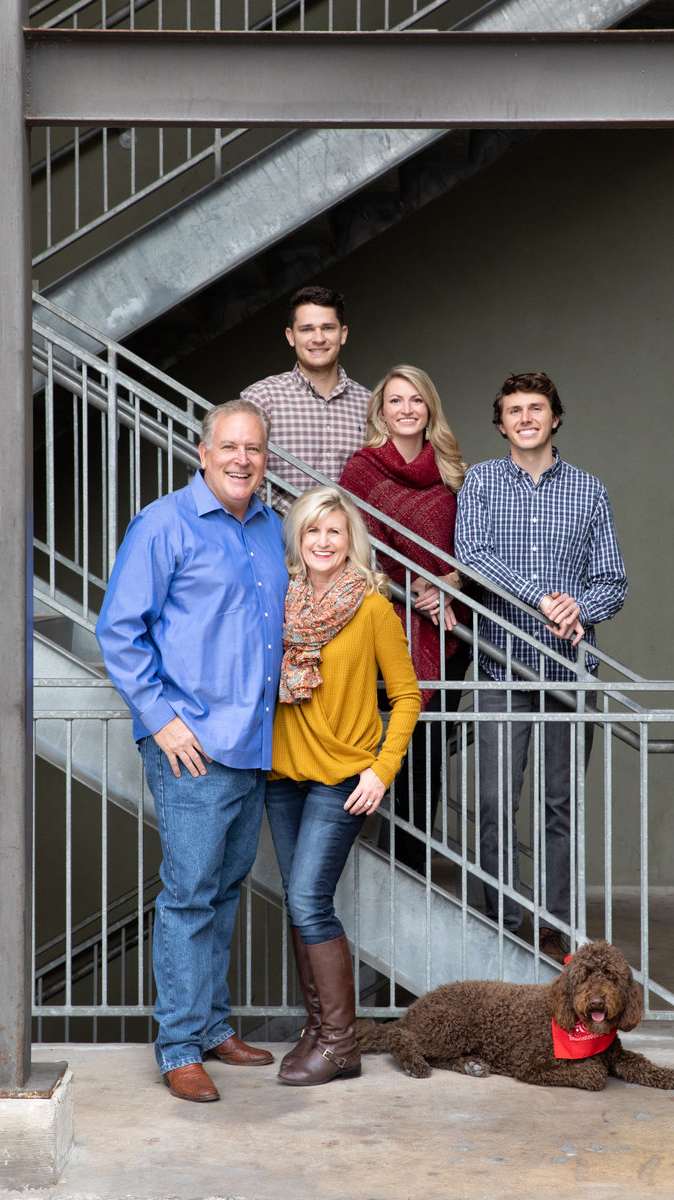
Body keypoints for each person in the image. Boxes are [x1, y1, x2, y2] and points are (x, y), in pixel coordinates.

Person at [96, 399, 288, 1103]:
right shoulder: (164, 524)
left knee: (226, 889)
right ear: (202, 453)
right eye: (230, 447)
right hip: (193, 747)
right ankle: (178, 1043)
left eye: (255, 450)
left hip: (252, 743)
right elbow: (119, 630)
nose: (242, 460)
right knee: (188, 896)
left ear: (266, 460)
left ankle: (211, 1025)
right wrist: (161, 718)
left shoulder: (270, 528)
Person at [454, 372, 627, 963]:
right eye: (513, 410)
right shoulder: (479, 481)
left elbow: (613, 581)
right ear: (500, 423)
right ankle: (499, 919)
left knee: (561, 805)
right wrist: (539, 596)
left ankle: (553, 927)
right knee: (496, 800)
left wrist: (580, 604)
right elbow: (472, 555)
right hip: (502, 668)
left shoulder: (589, 490)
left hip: (570, 673)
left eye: (537, 408)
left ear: (555, 417)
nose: (525, 417)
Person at [266, 486, 421, 1086]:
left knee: (309, 900)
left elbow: (406, 696)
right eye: (312, 532)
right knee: (297, 903)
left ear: (350, 539)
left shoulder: (373, 608)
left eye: (334, 532)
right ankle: (316, 1030)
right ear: (297, 541)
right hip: (282, 774)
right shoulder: (282, 600)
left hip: (343, 778)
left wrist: (382, 769)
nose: (324, 543)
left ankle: (340, 1043)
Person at [339, 365, 471, 871]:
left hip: (450, 628)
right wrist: (405, 581)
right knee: (379, 744)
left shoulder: (453, 471)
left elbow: (471, 552)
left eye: (417, 399)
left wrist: (448, 585)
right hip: (384, 623)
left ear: (430, 408)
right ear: (381, 411)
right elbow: (355, 548)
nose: (407, 409)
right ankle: (355, 861)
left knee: (429, 752)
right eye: (396, 400)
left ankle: (408, 868)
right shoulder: (362, 470)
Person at [241, 285, 370, 513]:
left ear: (343, 334)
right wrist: (304, 518)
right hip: (277, 539)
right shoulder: (261, 398)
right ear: (291, 336)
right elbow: (245, 470)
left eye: (328, 328)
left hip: (351, 542)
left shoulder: (370, 404)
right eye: (307, 329)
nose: (318, 338)